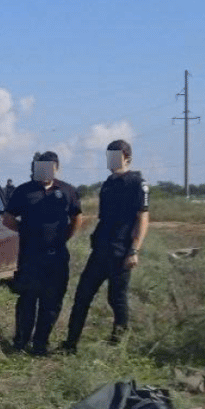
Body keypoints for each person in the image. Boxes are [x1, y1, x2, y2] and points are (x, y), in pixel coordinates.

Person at [61, 140, 149, 353]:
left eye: (115, 156)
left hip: (122, 251)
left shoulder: (137, 183)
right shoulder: (108, 183)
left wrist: (134, 250)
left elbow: (143, 219)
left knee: (116, 299)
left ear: (127, 157)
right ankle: (70, 344)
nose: (110, 161)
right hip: (100, 249)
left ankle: (118, 345)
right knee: (82, 295)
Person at [3, 152, 83, 356]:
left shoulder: (67, 191)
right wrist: (25, 231)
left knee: (52, 302)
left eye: (49, 167)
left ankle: (41, 344)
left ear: (56, 168)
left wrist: (62, 237)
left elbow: (76, 218)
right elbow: (8, 218)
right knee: (27, 300)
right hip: (30, 257)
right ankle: (21, 341)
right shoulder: (23, 191)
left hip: (56, 257)